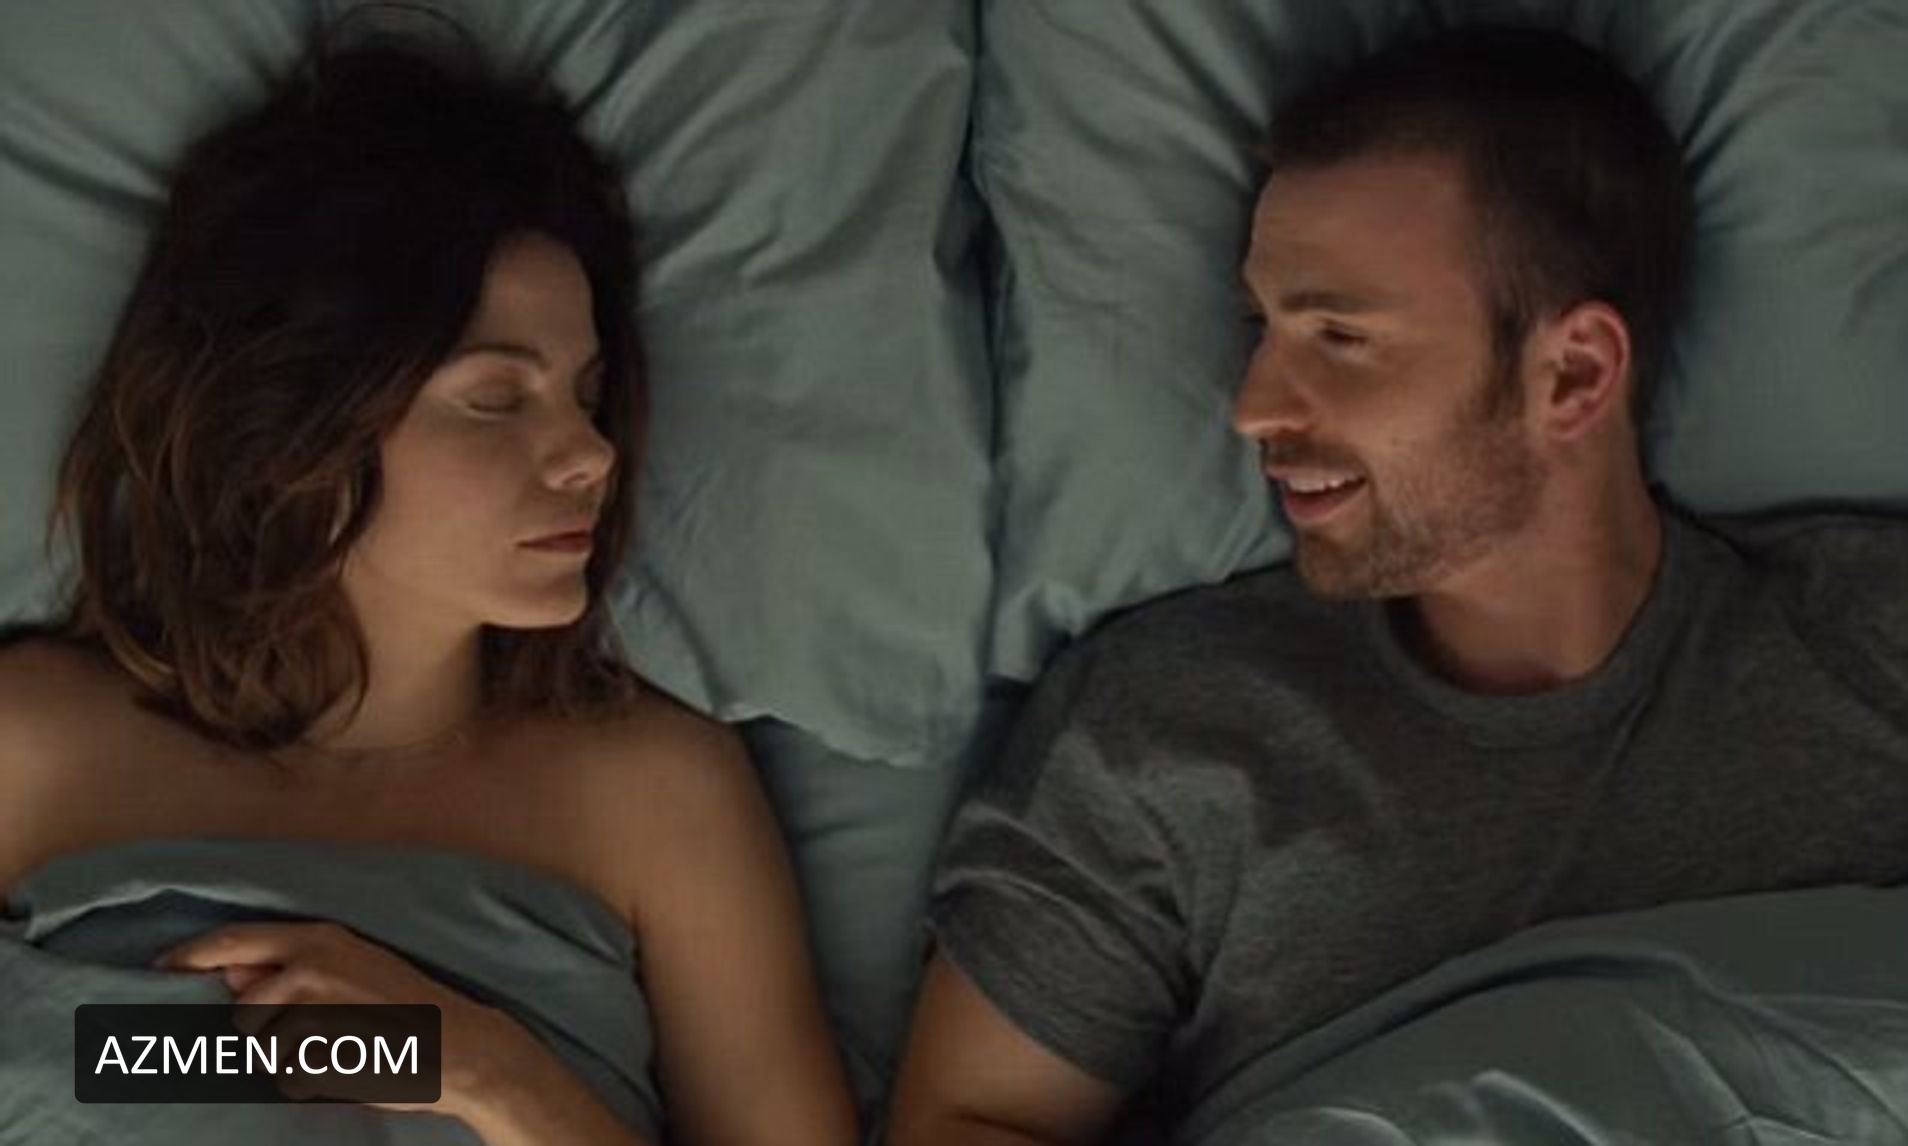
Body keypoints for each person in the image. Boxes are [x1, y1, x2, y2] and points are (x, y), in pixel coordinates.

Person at [886, 24, 1908, 1145]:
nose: (1254, 407)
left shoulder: (1868, 642)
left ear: (1572, 374)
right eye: (1263, 328)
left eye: (1339, 336)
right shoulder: (1169, 740)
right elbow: (960, 1127)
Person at [0, 36, 856, 1146]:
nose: (590, 455)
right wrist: (343, 1049)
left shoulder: (654, 796)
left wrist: (495, 1074)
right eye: (497, 400)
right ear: (292, 426)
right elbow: (94, 1064)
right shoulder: (36, 742)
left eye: (587, 395)